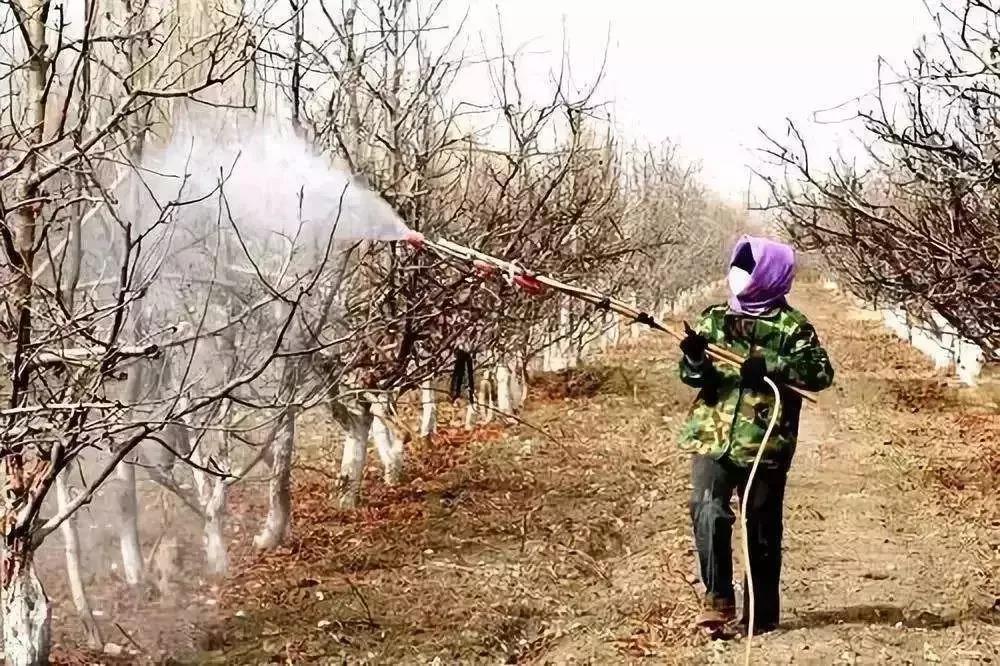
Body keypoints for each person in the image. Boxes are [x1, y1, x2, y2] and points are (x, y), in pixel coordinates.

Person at [677, 235, 834, 636]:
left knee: (760, 524)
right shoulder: (715, 318)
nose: (738, 275)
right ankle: (717, 601)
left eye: (748, 268)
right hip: (712, 435)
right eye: (737, 266)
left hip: (765, 440)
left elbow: (819, 375)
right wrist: (695, 358)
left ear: (769, 273)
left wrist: (772, 366)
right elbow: (694, 377)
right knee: (707, 509)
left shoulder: (792, 327)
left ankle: (761, 613)